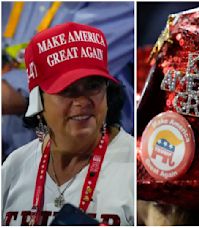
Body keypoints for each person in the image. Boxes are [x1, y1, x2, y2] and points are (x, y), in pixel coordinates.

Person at [2, 22, 134, 225]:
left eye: (93, 86)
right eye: (66, 90)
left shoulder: (136, 169)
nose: (82, 101)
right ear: (39, 99)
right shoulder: (15, 165)